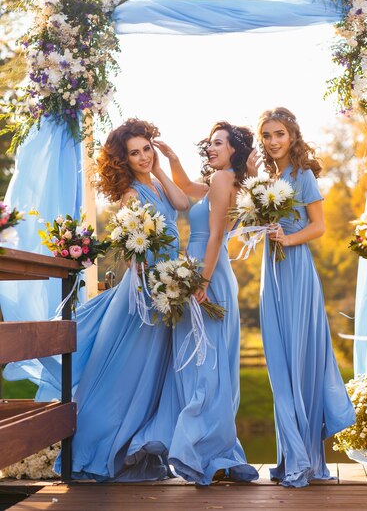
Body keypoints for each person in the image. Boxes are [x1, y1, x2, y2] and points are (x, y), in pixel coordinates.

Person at [55, 118, 189, 481]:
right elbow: (134, 249)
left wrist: (161, 167)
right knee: (125, 373)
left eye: (147, 149)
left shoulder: (157, 186)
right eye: (135, 153)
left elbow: (183, 201)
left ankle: (135, 448)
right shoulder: (132, 194)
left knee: (150, 374)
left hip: (166, 289)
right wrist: (148, 285)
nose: (144, 157)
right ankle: (94, 449)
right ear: (124, 159)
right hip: (145, 292)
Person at [130, 121, 259, 486]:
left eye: (219, 143)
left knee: (202, 361)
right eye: (210, 143)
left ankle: (202, 449)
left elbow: (216, 233)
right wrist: (166, 160)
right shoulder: (223, 180)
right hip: (208, 271)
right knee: (205, 360)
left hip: (208, 273)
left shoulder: (223, 180)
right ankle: (207, 449)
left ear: (234, 148)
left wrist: (201, 280)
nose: (211, 148)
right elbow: (185, 190)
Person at [256, 107, 355, 488]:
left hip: (296, 270)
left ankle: (305, 459)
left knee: (299, 362)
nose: (273, 140)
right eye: (267, 135)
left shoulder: (303, 176)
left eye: (279, 133)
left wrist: (288, 238)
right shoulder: (270, 178)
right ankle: (289, 457)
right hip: (272, 272)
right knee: (279, 362)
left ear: (292, 136)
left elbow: (320, 226)